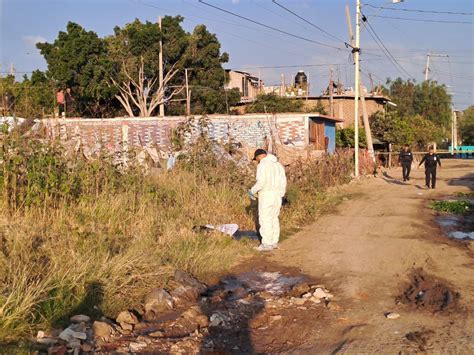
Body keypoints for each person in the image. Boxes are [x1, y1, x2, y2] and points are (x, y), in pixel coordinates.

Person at [248, 149, 287, 251]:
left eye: (256, 159)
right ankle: (274, 242)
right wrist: (281, 194)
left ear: (259, 156)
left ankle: (266, 244)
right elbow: (283, 181)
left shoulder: (262, 165)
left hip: (266, 195)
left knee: (265, 219)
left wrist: (252, 191)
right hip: (277, 196)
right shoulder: (278, 165)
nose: (257, 161)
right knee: (274, 218)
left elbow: (261, 182)